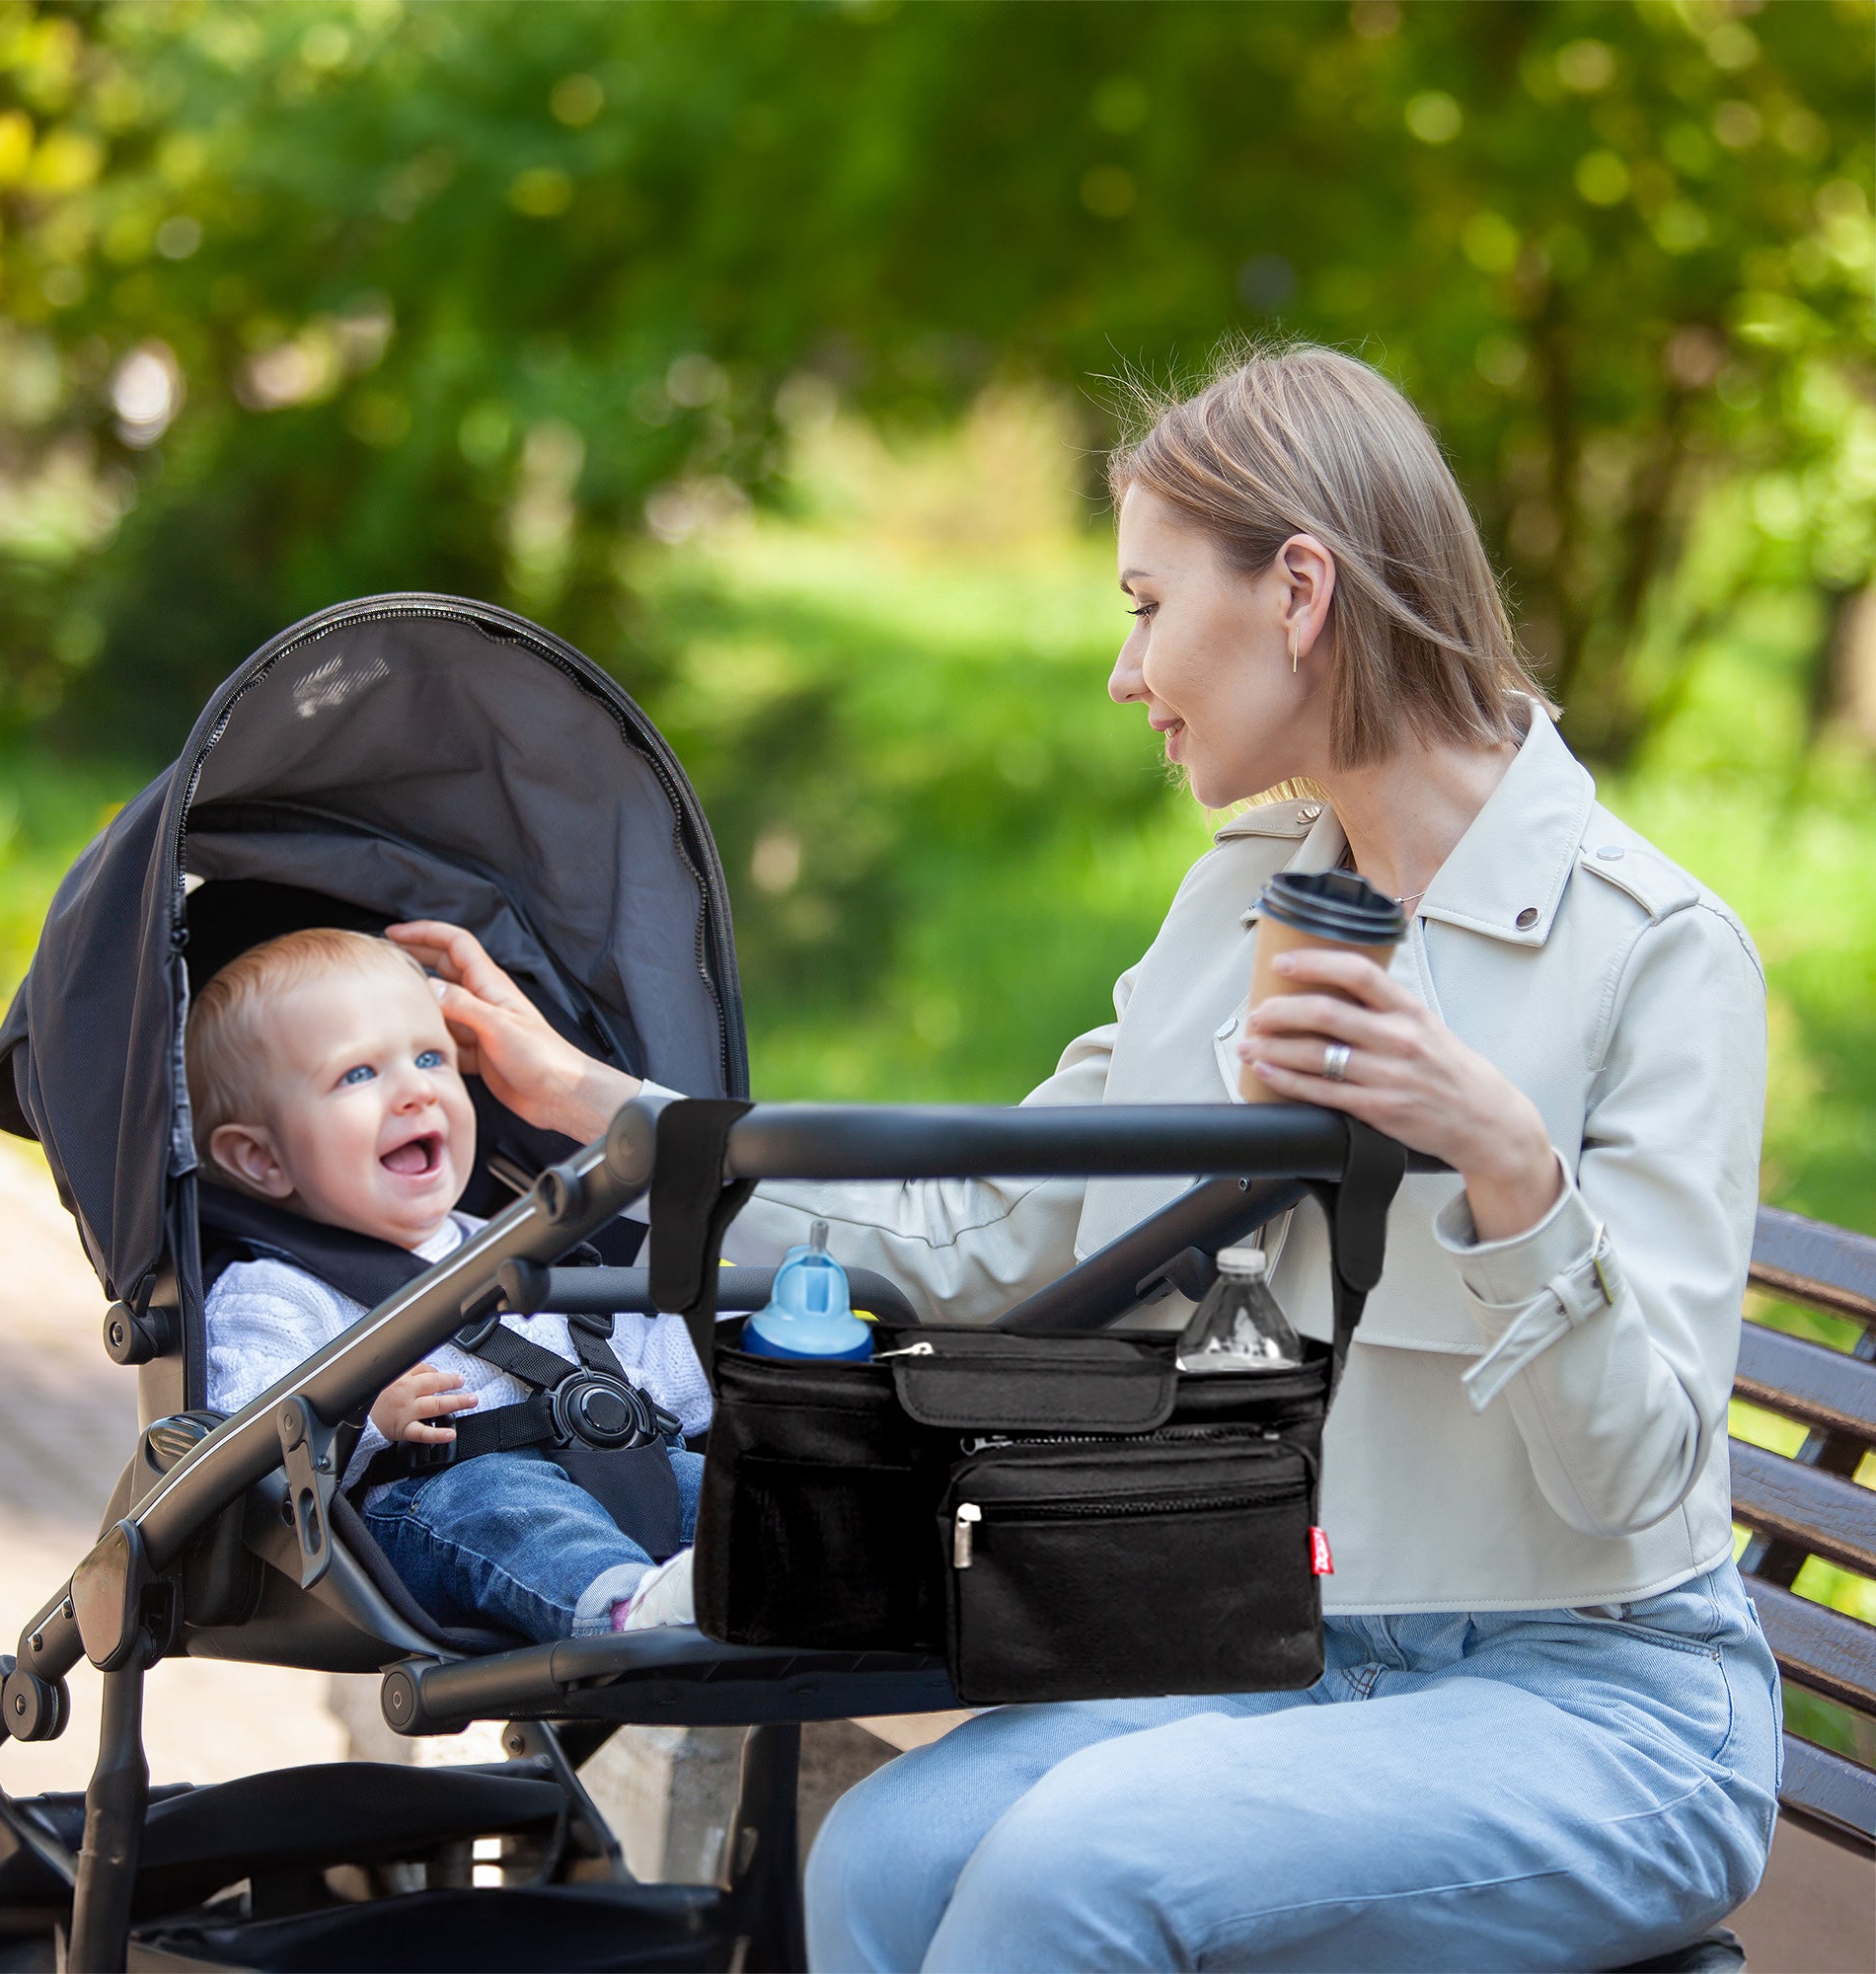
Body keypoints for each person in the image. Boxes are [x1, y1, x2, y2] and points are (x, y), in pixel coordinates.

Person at [399, 344, 1779, 1971]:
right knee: (888, 1856)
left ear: (1300, 591)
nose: (1126, 672)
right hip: (1314, 1648)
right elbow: (996, 1231)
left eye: (1145, 602)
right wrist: (605, 1115)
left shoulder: (1657, 954)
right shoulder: (1241, 906)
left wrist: (1504, 1167)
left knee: (1075, 1871)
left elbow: (1644, 1481)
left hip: (1602, 1700)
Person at [194, 926, 708, 1639]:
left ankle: (809, 1586)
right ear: (261, 1158)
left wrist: (724, 1367)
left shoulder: (534, 1236)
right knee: (506, 1502)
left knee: (720, 1493)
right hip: (428, 1511)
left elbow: (653, 1363)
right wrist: (362, 1415)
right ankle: (622, 1611)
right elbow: (247, 1430)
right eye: (357, 1074)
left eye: (431, 1057)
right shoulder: (277, 1290)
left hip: (622, 1473)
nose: (415, 1092)